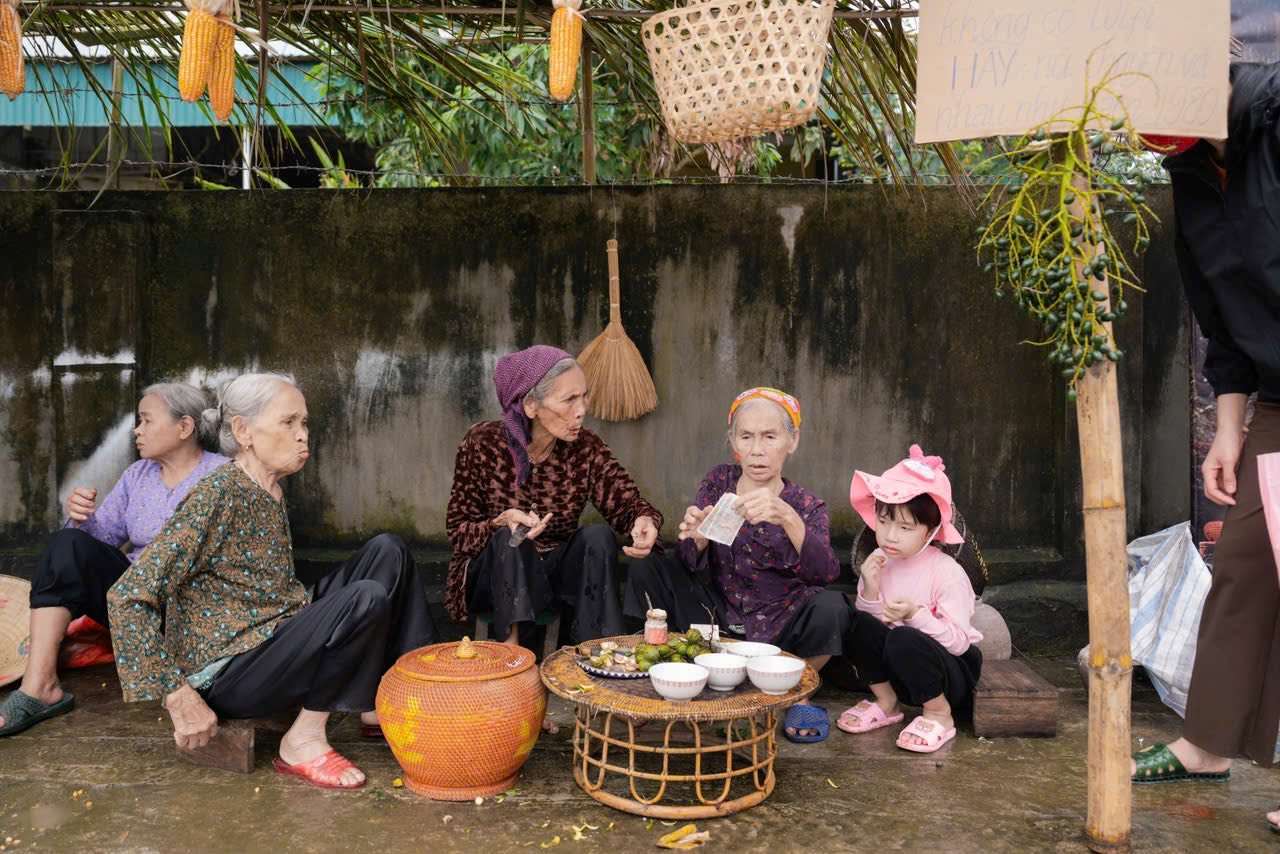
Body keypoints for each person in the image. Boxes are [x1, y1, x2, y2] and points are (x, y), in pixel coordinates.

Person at [106, 373, 436, 789]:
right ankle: (303, 740)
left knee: (389, 551)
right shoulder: (218, 494)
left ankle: (386, 702)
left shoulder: (268, 487)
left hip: (272, 633)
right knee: (365, 598)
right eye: (289, 423)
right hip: (229, 672)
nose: (303, 436)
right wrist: (177, 696)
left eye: (305, 424)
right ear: (243, 431)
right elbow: (127, 596)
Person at [1131, 64, 1280, 832]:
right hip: (1276, 394)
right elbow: (1218, 315)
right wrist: (1228, 429)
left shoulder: (1274, 113)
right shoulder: (1190, 172)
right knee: (1248, 563)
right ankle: (1208, 743)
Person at [0, 383, 228, 737]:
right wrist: (80, 517)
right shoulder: (138, 475)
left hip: (194, 610)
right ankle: (40, 686)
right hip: (135, 606)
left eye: (147, 420)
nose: (137, 430)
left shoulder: (225, 477)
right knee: (67, 544)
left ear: (184, 427)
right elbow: (98, 542)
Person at [623, 387, 847, 743]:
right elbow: (687, 561)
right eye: (746, 436)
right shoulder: (719, 482)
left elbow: (824, 573)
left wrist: (787, 518)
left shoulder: (805, 504)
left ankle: (793, 692)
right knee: (647, 566)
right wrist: (696, 537)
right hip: (714, 618)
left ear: (793, 441)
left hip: (779, 627)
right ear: (733, 442)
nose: (757, 450)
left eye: (770, 436)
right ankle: (667, 669)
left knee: (832, 606)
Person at [445, 345, 662, 648]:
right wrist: (499, 524)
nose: (582, 409)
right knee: (512, 539)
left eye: (584, 396)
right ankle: (513, 658)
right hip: (493, 577)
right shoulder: (482, 444)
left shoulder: (584, 447)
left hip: (552, 577)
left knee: (598, 536)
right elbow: (458, 533)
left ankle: (596, 652)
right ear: (531, 404)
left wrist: (643, 519)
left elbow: (625, 500)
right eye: (570, 399)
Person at [837, 445, 982, 754]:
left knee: (904, 637)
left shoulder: (947, 572)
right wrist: (872, 589)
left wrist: (917, 614)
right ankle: (887, 702)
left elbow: (958, 644)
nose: (890, 536)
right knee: (857, 621)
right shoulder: (879, 559)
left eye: (905, 527)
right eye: (884, 521)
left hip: (948, 675)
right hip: (901, 673)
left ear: (930, 531)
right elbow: (872, 632)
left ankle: (939, 715)